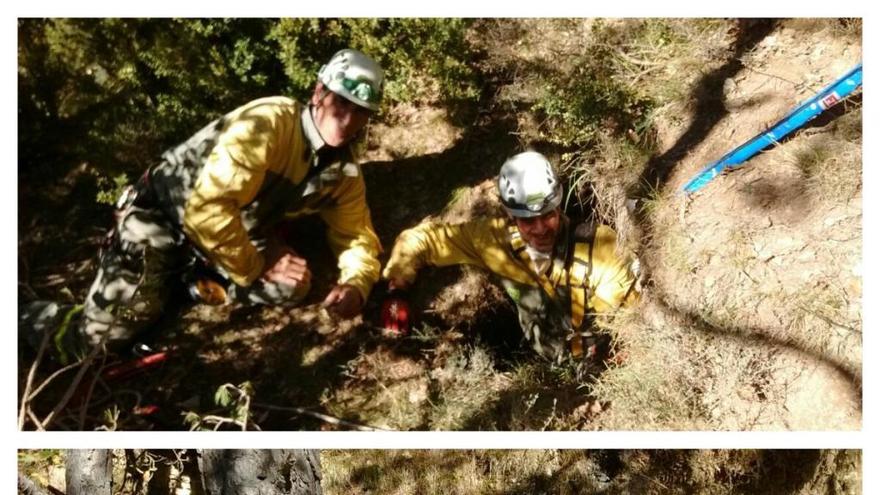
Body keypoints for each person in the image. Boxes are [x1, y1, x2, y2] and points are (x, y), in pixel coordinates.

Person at [21, 48, 385, 363]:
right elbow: (206, 211)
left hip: (228, 235)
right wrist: (258, 264)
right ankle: (23, 316)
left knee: (293, 286)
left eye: (361, 111)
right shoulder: (270, 124)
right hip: (160, 219)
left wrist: (357, 284)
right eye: (342, 103)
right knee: (97, 343)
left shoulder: (343, 170)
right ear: (319, 92)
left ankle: (182, 284)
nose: (349, 119)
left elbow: (356, 235)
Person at [380, 151, 639, 362]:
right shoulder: (493, 241)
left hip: (596, 363)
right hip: (546, 356)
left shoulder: (600, 247)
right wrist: (396, 291)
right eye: (527, 220)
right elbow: (421, 238)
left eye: (547, 215)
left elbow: (630, 321)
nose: (539, 229)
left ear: (559, 206)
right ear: (511, 217)